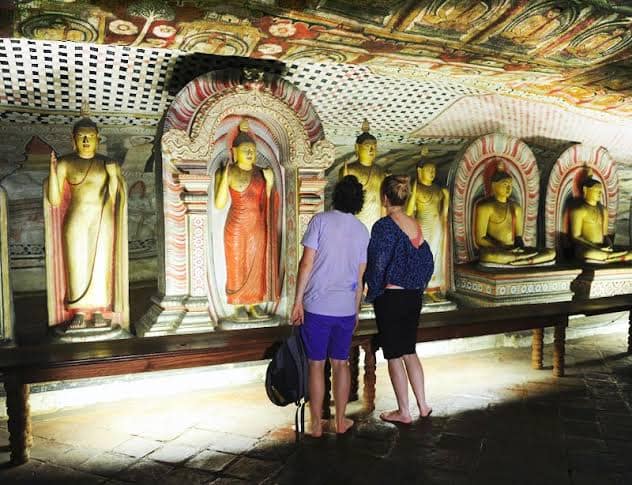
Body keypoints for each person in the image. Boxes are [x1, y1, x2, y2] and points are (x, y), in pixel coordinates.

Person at [291, 175, 369, 437]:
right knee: (341, 363)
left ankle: (315, 425)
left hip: (317, 306)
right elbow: (360, 278)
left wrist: (297, 301)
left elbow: (306, 265)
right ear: (359, 201)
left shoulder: (320, 221)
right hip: (345, 308)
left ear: (335, 196)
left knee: (316, 364)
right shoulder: (361, 230)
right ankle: (340, 421)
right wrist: (356, 309)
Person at [45, 113, 129, 330]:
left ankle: (100, 310)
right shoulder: (65, 163)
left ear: (97, 139)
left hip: (102, 220)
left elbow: (115, 199)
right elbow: (54, 200)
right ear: (73, 139)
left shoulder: (106, 163)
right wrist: (53, 172)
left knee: (101, 265)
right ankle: (80, 311)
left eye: (89, 137)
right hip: (76, 220)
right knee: (77, 264)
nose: (85, 141)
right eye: (81, 137)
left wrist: (112, 176)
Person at [366, 175, 434, 424]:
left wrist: (371, 291)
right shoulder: (414, 224)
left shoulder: (384, 226)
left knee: (394, 354)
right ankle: (423, 405)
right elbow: (426, 259)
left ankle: (404, 411)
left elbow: (378, 263)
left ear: (385, 198)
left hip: (391, 296)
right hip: (414, 295)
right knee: (409, 350)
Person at [215, 119, 280, 321]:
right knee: (237, 263)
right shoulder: (227, 171)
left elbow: (268, 202)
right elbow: (219, 204)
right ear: (234, 151)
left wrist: (270, 183)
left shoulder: (261, 173)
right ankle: (237, 304)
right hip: (236, 225)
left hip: (257, 226)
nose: (250, 153)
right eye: (245, 150)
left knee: (257, 265)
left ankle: (254, 304)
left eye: (252, 149)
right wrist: (224, 177)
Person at [474, 162, 555, 266]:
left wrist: (519, 248)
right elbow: (480, 239)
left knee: (551, 252)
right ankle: (521, 260)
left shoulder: (515, 207)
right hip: (497, 250)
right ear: (494, 186)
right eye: (505, 184)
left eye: (510, 185)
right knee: (487, 256)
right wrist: (501, 247)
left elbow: (518, 237)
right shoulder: (485, 207)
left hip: (514, 250)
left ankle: (524, 260)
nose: (508, 188)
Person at [570, 177, 632, 263]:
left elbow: (605, 235)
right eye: (596, 191)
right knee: (588, 253)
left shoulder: (603, 210)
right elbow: (575, 237)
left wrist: (609, 245)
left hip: (603, 248)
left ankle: (610, 257)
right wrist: (596, 247)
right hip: (587, 248)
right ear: (586, 189)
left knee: (630, 252)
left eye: (600, 191)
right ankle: (614, 258)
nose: (599, 194)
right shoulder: (579, 210)